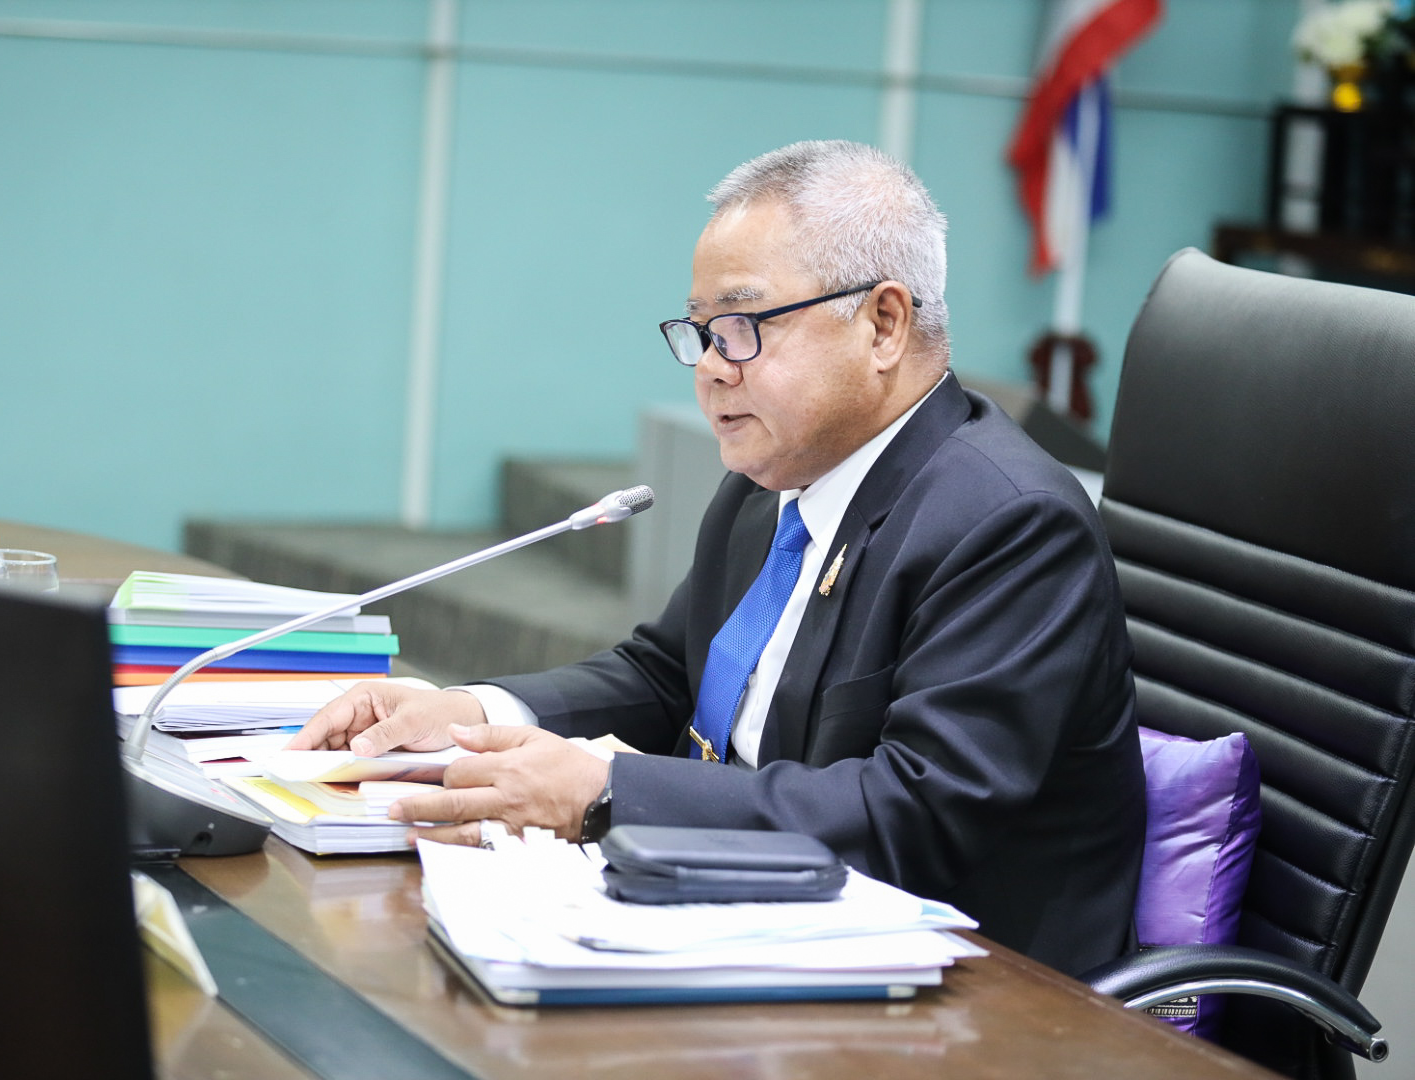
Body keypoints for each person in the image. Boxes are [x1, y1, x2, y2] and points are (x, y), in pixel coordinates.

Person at [289, 139, 1144, 976]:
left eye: (740, 327)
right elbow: (670, 676)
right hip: (763, 925)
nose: (709, 369)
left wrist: (607, 794)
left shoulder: (1010, 523)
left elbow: (913, 815)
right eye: (699, 333)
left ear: (883, 325)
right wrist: (475, 714)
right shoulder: (769, 487)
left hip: (974, 992)